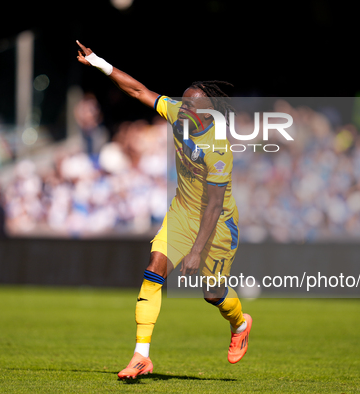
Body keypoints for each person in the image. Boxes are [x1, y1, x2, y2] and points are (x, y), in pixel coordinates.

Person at [77, 40, 252, 380]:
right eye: (182, 101)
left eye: (189, 105)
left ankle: (240, 322)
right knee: (154, 267)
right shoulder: (178, 112)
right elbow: (138, 90)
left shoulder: (217, 147)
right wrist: (98, 62)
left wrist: (197, 251)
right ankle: (141, 355)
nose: (181, 107)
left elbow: (214, 207)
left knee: (212, 292)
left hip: (217, 225)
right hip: (183, 213)